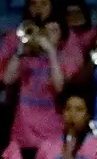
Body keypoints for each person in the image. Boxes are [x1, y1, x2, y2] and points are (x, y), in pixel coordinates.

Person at [7, 19, 72, 149]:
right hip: (23, 133)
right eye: (45, 30)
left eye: (54, 31)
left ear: (61, 39)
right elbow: (7, 79)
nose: (48, 33)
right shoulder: (25, 58)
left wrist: (51, 52)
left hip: (50, 134)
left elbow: (59, 87)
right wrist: (20, 50)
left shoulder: (64, 60)